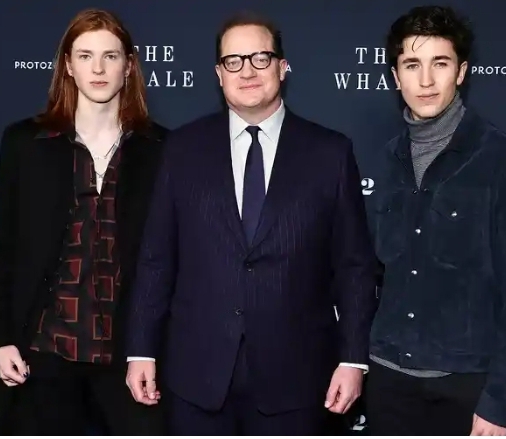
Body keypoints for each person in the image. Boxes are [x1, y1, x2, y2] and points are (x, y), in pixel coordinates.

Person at [124, 12, 378, 435]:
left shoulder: (329, 153)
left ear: (282, 66)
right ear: (218, 74)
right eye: (234, 61)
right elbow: (157, 257)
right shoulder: (182, 149)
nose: (247, 71)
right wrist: (141, 350)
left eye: (260, 58)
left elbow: (353, 266)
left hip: (297, 377)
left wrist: (353, 358)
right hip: (197, 375)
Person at [0, 8, 168, 435]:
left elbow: (170, 262)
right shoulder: (26, 143)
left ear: (130, 65)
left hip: (129, 360)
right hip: (43, 353)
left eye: (110, 56)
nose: (98, 68)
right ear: (67, 64)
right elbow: (2, 248)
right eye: (85, 55)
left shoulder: (162, 149)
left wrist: (154, 349)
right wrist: (0, 338)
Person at [362, 5, 506, 436]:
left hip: (467, 388)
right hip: (388, 383)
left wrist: (501, 402)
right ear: (395, 76)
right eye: (412, 64)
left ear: (461, 72)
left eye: (439, 64)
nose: (425, 81)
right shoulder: (384, 161)